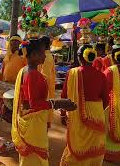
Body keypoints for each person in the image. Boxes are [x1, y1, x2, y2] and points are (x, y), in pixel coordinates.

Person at [11, 38, 75, 166]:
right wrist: (59, 103)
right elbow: (34, 104)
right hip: (33, 123)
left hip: (29, 119)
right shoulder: (33, 74)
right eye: (42, 53)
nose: (45, 56)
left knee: (30, 158)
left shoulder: (24, 70)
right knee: (35, 158)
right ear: (34, 55)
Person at [60, 44, 108, 166]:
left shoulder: (72, 73)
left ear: (80, 58)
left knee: (76, 142)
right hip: (96, 112)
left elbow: (64, 95)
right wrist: (97, 112)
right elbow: (106, 99)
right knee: (94, 144)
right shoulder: (101, 75)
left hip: (75, 110)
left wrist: (62, 113)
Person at [38, 36, 56, 128]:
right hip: (47, 87)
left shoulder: (46, 57)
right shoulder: (46, 56)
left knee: (44, 112)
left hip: (45, 88)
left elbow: (45, 76)